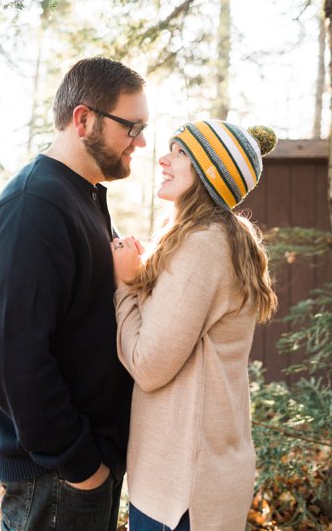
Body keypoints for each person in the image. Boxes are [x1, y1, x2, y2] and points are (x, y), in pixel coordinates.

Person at [0, 57, 148, 530]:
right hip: (57, 476)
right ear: (83, 119)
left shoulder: (82, 195)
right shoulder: (34, 207)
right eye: (132, 126)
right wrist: (81, 467)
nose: (142, 141)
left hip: (86, 465)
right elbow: (15, 361)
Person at [112, 120, 279, 531]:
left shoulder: (203, 244)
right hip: (195, 476)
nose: (164, 159)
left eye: (180, 152)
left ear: (210, 173)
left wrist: (123, 286)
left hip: (180, 491)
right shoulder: (216, 238)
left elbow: (149, 365)